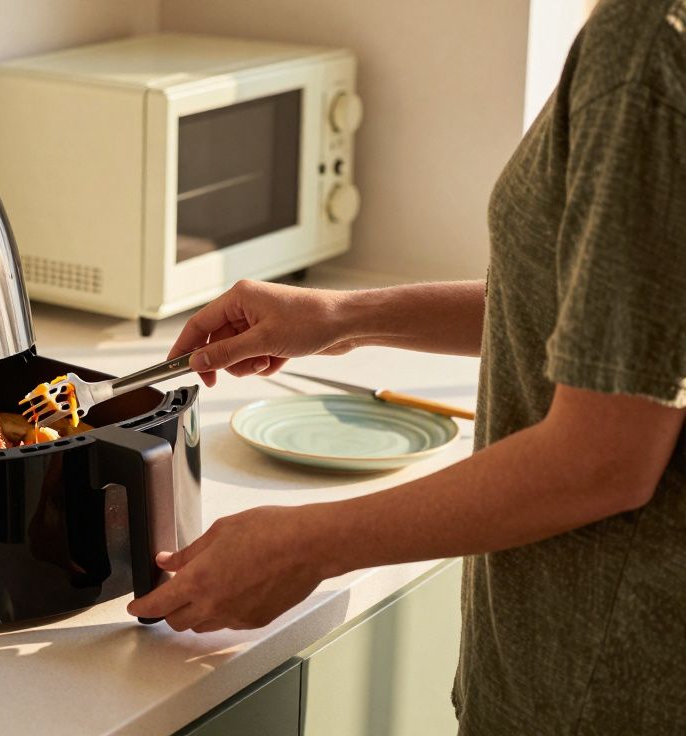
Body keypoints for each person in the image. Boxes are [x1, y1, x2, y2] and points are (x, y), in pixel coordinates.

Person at [127, 1, 686, 732]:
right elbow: (607, 318)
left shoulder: (646, 48)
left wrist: (304, 545)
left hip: (605, 686)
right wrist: (346, 320)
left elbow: (602, 457)